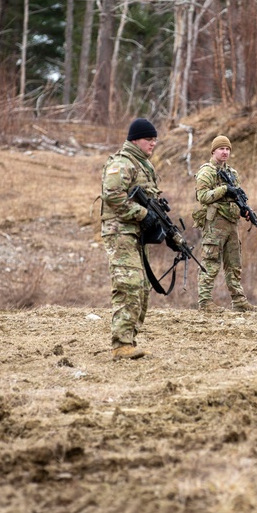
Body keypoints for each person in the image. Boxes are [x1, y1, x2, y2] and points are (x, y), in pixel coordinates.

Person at [100, 118, 165, 360]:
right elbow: (112, 194)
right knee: (129, 284)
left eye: (155, 139)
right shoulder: (123, 163)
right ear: (135, 140)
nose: (153, 144)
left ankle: (129, 341)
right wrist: (142, 214)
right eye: (149, 139)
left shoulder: (143, 166)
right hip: (120, 232)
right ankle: (121, 345)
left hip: (136, 234)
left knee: (142, 287)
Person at [193, 135, 257, 313]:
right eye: (221, 149)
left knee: (234, 263)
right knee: (211, 261)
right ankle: (205, 302)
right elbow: (202, 197)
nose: (225, 152)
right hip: (214, 223)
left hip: (231, 223)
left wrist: (245, 211)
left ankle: (239, 300)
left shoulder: (232, 173)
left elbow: (237, 198)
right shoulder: (207, 172)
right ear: (213, 151)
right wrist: (224, 189)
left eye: (228, 149)